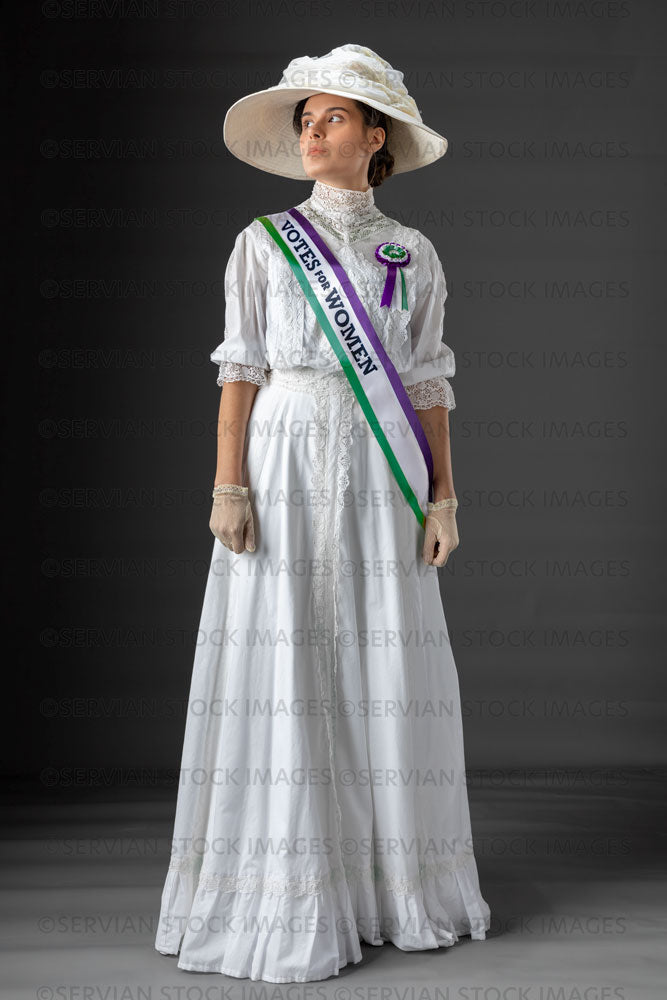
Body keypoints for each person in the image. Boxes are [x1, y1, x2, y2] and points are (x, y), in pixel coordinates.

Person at [155, 42, 491, 983]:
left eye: (330, 117)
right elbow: (240, 370)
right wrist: (227, 485)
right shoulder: (262, 244)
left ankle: (387, 889)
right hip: (284, 456)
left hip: (379, 471)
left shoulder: (411, 253)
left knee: (380, 650)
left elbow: (426, 382)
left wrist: (443, 494)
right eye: (304, 119)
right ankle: (286, 892)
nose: (311, 130)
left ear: (372, 136)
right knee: (285, 652)